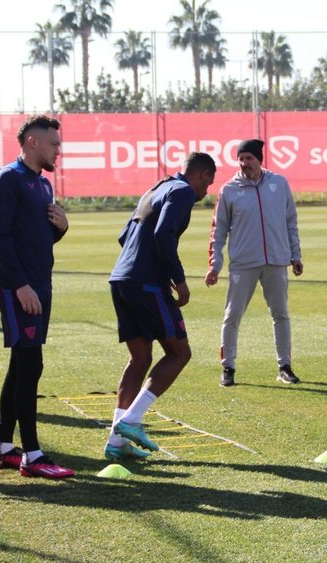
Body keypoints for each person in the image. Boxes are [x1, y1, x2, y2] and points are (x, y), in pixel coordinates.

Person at [105, 152, 217, 460]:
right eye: (209, 183)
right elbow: (163, 233)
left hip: (121, 278)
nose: (207, 192)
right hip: (146, 282)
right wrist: (178, 280)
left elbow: (123, 235)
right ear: (203, 175)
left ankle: (116, 442)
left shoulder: (157, 187)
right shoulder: (181, 191)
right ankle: (131, 421)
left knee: (140, 357)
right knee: (180, 353)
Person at [0, 115, 74, 479]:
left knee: (21, 365)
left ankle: (4, 447)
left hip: (39, 284)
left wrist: (62, 229)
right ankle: (32, 455)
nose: (59, 149)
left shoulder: (43, 186)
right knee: (31, 365)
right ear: (32, 143)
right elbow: (1, 237)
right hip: (16, 286)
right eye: (54, 143)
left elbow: (37, 239)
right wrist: (21, 285)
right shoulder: (9, 179)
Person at [206, 139, 303, 387]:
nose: (244, 163)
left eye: (249, 158)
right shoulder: (229, 189)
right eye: (241, 158)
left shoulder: (279, 184)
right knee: (232, 315)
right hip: (243, 263)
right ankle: (228, 367)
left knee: (280, 314)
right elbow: (218, 231)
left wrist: (295, 254)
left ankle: (284, 366)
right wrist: (215, 265)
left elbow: (290, 221)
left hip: (277, 260)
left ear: (259, 159)